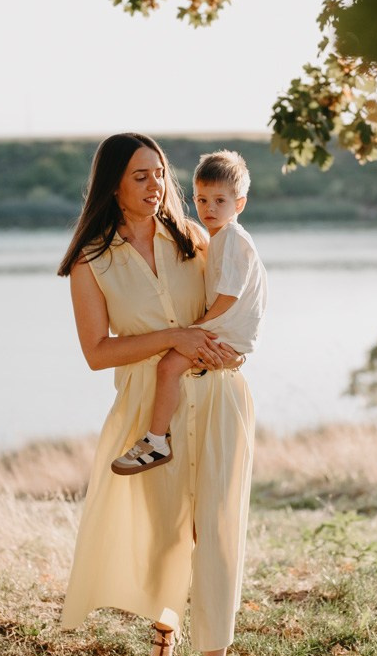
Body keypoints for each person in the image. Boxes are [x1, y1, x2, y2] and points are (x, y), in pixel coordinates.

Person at [57, 133, 254, 656]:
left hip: (219, 397)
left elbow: (240, 301)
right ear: (113, 183)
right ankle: (164, 631)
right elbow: (97, 352)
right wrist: (174, 337)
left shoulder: (195, 238)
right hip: (151, 411)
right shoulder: (91, 262)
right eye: (140, 175)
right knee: (166, 531)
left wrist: (236, 350)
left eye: (160, 173)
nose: (155, 185)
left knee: (218, 530)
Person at [111, 149, 267, 476]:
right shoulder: (220, 238)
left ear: (239, 204)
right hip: (229, 329)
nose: (208, 209)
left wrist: (198, 326)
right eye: (201, 200)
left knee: (169, 366)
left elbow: (229, 296)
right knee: (176, 367)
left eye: (219, 201)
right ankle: (166, 436)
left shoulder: (233, 240)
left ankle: (156, 440)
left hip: (227, 329)